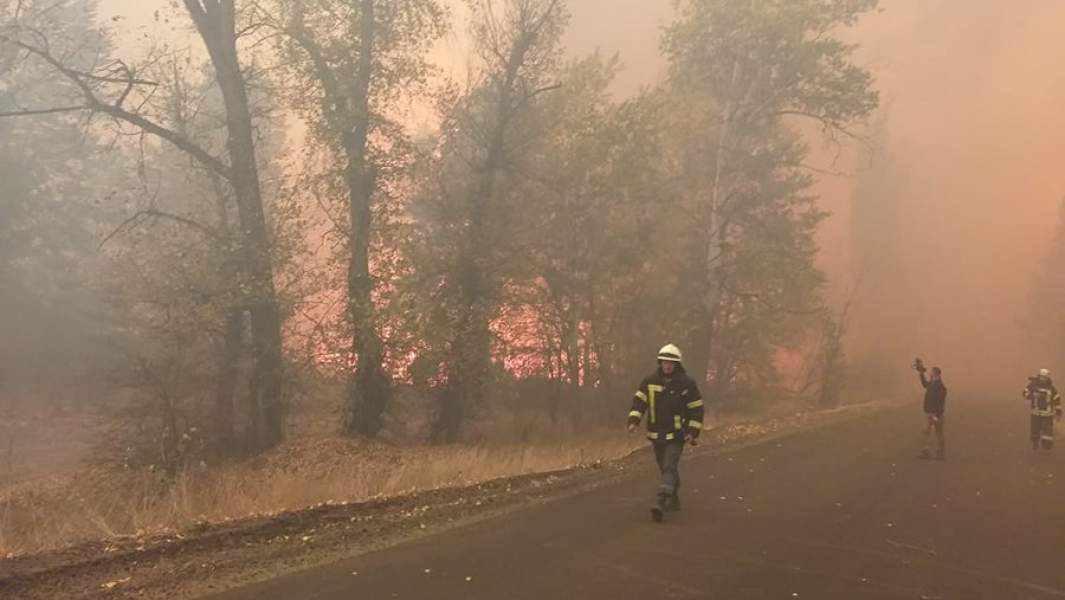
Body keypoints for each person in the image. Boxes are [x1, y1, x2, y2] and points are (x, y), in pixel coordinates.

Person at [627, 344, 705, 522]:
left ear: (677, 364)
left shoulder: (687, 384)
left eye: (671, 362)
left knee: (669, 465)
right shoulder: (649, 381)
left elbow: (696, 410)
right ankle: (673, 496)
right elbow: (639, 403)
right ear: (660, 362)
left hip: (677, 435)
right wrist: (633, 421)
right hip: (656, 434)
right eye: (665, 362)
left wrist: (692, 432)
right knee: (665, 467)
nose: (668, 365)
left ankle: (660, 501)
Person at [914, 358, 947, 459]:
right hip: (930, 413)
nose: (930, 373)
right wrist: (921, 373)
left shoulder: (940, 386)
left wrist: (935, 414)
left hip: (935, 414)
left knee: (937, 433)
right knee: (928, 432)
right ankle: (928, 452)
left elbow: (940, 402)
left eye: (931, 372)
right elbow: (924, 384)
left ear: (936, 373)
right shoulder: (933, 384)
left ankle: (939, 453)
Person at [1023, 368, 1061, 452]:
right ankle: (1035, 443)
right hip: (1035, 413)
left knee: (1047, 433)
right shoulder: (1032, 385)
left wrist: (1058, 412)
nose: (1043, 379)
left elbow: (1057, 399)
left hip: (1048, 414)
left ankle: (1046, 448)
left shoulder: (1051, 388)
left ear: (1047, 378)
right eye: (1041, 377)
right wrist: (1033, 395)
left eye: (1045, 377)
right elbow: (1025, 394)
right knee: (1035, 431)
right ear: (1039, 376)